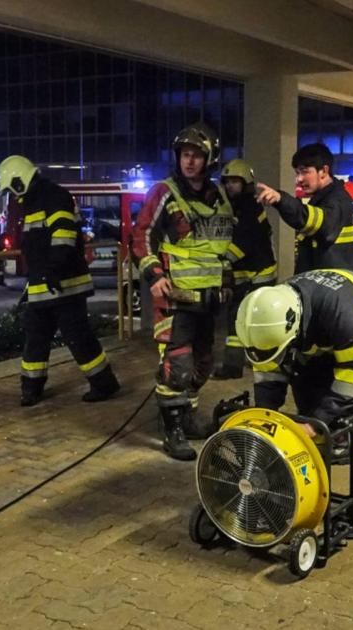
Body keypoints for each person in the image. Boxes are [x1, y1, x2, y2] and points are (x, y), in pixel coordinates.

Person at [237, 269, 353, 539]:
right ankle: (305, 494)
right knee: (310, 408)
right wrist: (265, 417)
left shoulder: (341, 313)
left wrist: (318, 423)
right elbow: (269, 370)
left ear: (295, 327)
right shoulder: (269, 318)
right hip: (324, 334)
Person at [130, 122, 236, 461]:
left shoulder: (218, 195)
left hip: (208, 300)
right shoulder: (164, 192)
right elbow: (141, 235)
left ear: (210, 159)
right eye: (185, 155)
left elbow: (222, 245)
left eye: (197, 156)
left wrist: (228, 281)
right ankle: (172, 427)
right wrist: (153, 275)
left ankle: (188, 416)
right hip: (176, 299)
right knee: (177, 366)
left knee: (203, 363)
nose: (189, 162)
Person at [0, 154, 120, 406]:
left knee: (78, 337)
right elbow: (38, 246)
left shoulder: (54, 197)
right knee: (36, 337)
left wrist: (52, 270)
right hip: (44, 285)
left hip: (66, 285)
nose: (14, 197)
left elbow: (62, 237)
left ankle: (104, 384)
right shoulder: (34, 201)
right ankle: (31, 388)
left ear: (20, 181)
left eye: (12, 190)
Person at [212, 159, 276, 380]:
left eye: (235, 182)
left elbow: (244, 242)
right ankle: (246, 363)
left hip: (258, 275)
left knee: (250, 320)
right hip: (246, 275)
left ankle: (239, 365)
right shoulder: (236, 206)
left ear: (246, 183)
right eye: (227, 182)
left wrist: (220, 261)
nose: (230, 186)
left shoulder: (248, 206)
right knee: (239, 319)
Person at [254, 143, 353, 273]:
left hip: (333, 287)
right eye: (297, 173)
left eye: (305, 172)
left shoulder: (336, 201)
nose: (298, 179)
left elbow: (315, 222)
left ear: (324, 171)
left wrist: (281, 200)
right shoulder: (324, 197)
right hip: (330, 285)